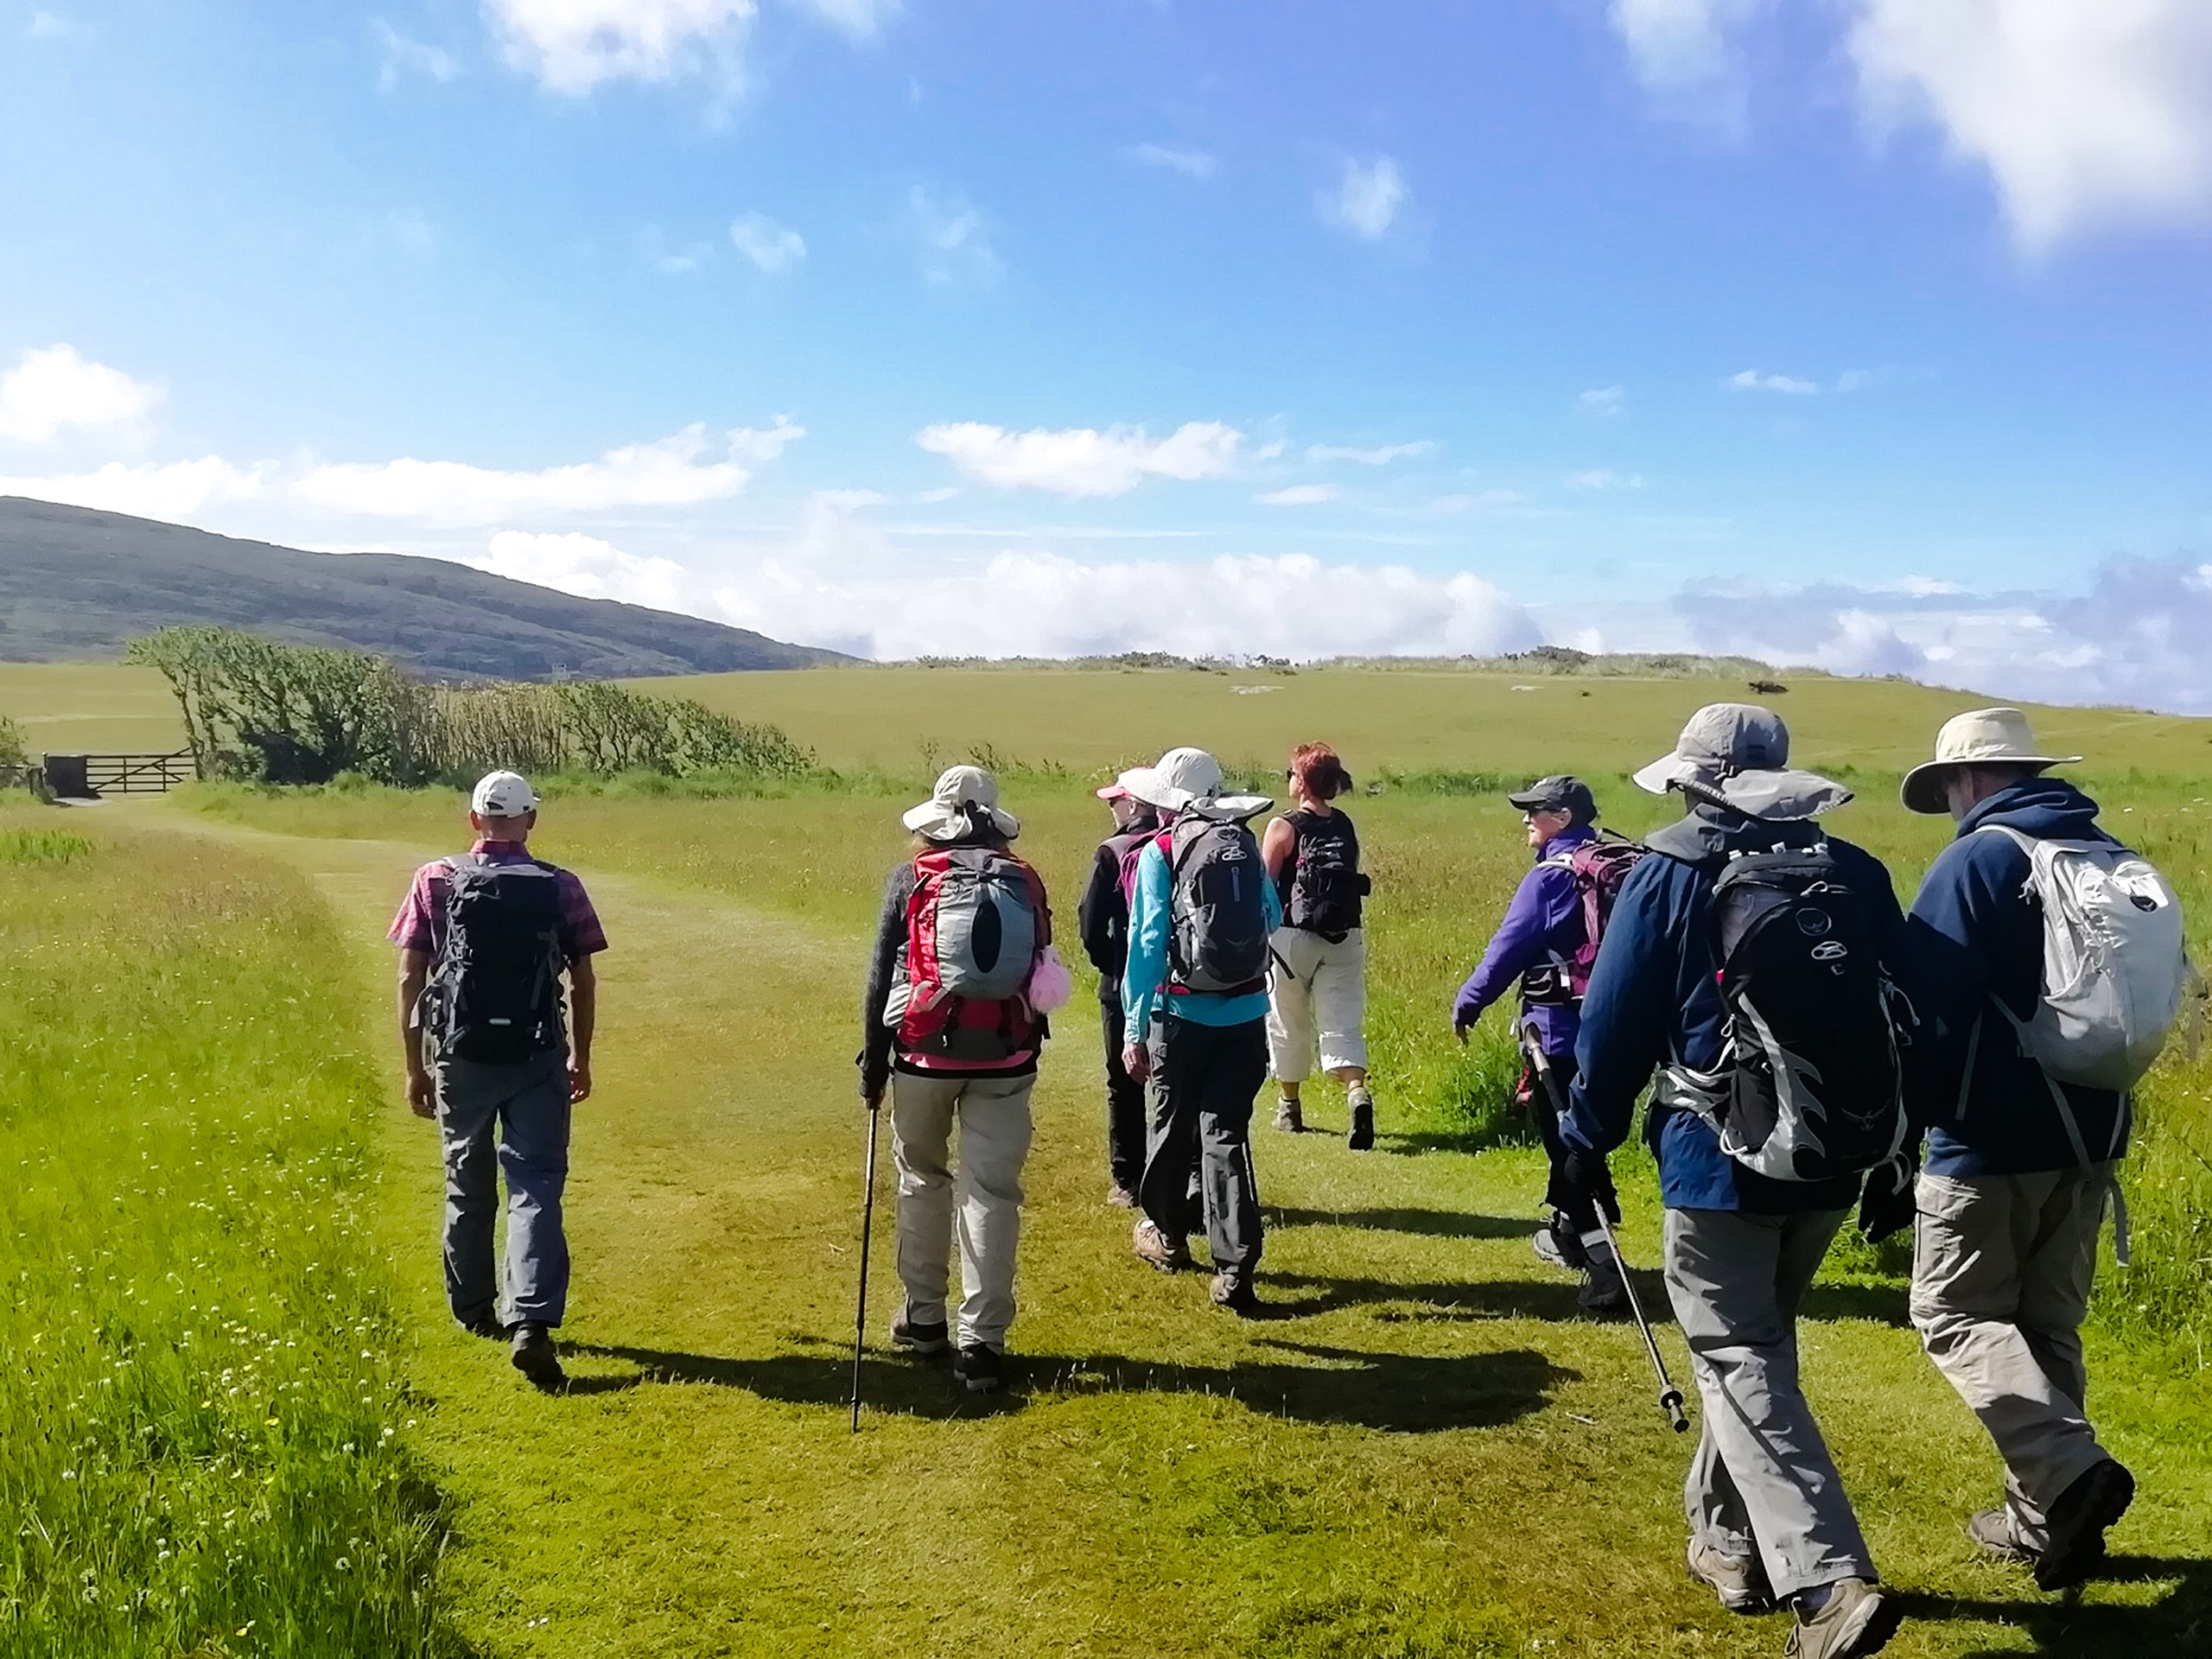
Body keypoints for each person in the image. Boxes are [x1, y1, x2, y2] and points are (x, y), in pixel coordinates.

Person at [1556, 706, 1906, 1659]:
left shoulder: (1670, 870)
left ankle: (1828, 1580)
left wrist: (1582, 1139)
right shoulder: (1854, 872)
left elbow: (1614, 1022)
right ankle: (1724, 1542)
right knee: (1750, 1352)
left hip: (1714, 1160)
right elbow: (1906, 1015)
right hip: (1833, 1156)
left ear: (1697, 777)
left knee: (1740, 1355)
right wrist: (1898, 1155)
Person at [1896, 708, 2144, 1589]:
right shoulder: (2106, 854)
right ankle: (2044, 1522)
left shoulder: (1979, 859)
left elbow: (1924, 1014)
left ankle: (2071, 1474)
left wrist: (1903, 1136)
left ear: (1963, 781)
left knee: (1953, 1315)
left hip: (1987, 1136)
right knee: (2046, 1326)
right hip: (2096, 1129)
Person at [390, 770, 606, 1391]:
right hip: (538, 1051)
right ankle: (532, 1320)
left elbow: (411, 976)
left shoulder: (435, 879)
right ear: (531, 821)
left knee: (467, 1176)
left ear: (473, 820)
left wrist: (415, 1065)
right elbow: (582, 980)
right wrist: (580, 1058)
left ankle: (474, 1310)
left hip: (462, 1055)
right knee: (534, 1183)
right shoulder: (561, 885)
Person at [860, 766, 1053, 1395]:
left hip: (922, 1055)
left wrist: (872, 1061)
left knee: (922, 1179)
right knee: (992, 1193)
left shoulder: (913, 875)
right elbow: (1043, 967)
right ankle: (983, 1344)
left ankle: (924, 1319)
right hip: (1007, 1058)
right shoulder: (1023, 878)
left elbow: (879, 974)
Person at [1449, 774, 1626, 1313]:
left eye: (1536, 810)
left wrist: (1469, 1002)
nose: (1526, 819)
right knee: (1582, 1138)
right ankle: (1568, 1235)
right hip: (1616, 1030)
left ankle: (1604, 1266)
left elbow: (1509, 948)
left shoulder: (1550, 879)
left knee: (1568, 1145)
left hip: (1556, 1034)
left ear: (1564, 818)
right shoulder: (1616, 866)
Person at [1120, 747, 1280, 1314]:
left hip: (1180, 1015)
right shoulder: (1241, 843)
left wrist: (1133, 1027)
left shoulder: (1162, 850)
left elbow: (1146, 944)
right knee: (1227, 1136)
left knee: (1169, 1126)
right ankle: (1236, 1270)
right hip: (1246, 1012)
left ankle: (1167, 1236)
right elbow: (1274, 916)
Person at [1262, 742, 1376, 1148]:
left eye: (1291, 773)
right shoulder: (1344, 824)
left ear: (1303, 782)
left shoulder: (1284, 825)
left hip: (1292, 937)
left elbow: (1265, 886)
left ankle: (1289, 1107)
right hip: (1345, 935)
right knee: (1342, 1019)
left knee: (1288, 1020)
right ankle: (1356, 1092)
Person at [1077, 771, 1160, 1207]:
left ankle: (1128, 1180)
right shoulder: (1174, 844)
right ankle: (1181, 1179)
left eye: (1115, 801)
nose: (1111, 809)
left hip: (1119, 984)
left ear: (1132, 804)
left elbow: (1089, 924)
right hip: (1174, 985)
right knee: (1173, 1084)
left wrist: (1113, 966)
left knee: (1123, 1082)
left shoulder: (1111, 852)